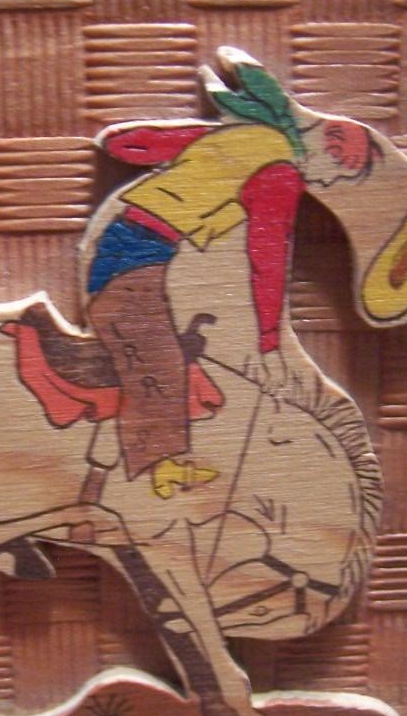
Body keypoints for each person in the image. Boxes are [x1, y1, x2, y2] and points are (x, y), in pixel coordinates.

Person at [88, 115, 378, 496]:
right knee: (159, 359)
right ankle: (161, 467)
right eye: (338, 173)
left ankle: (162, 460)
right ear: (330, 149)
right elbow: (267, 259)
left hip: (126, 241)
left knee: (162, 349)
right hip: (138, 253)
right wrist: (269, 340)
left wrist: (118, 145)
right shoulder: (281, 176)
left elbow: (149, 142)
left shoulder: (251, 134)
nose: (327, 184)